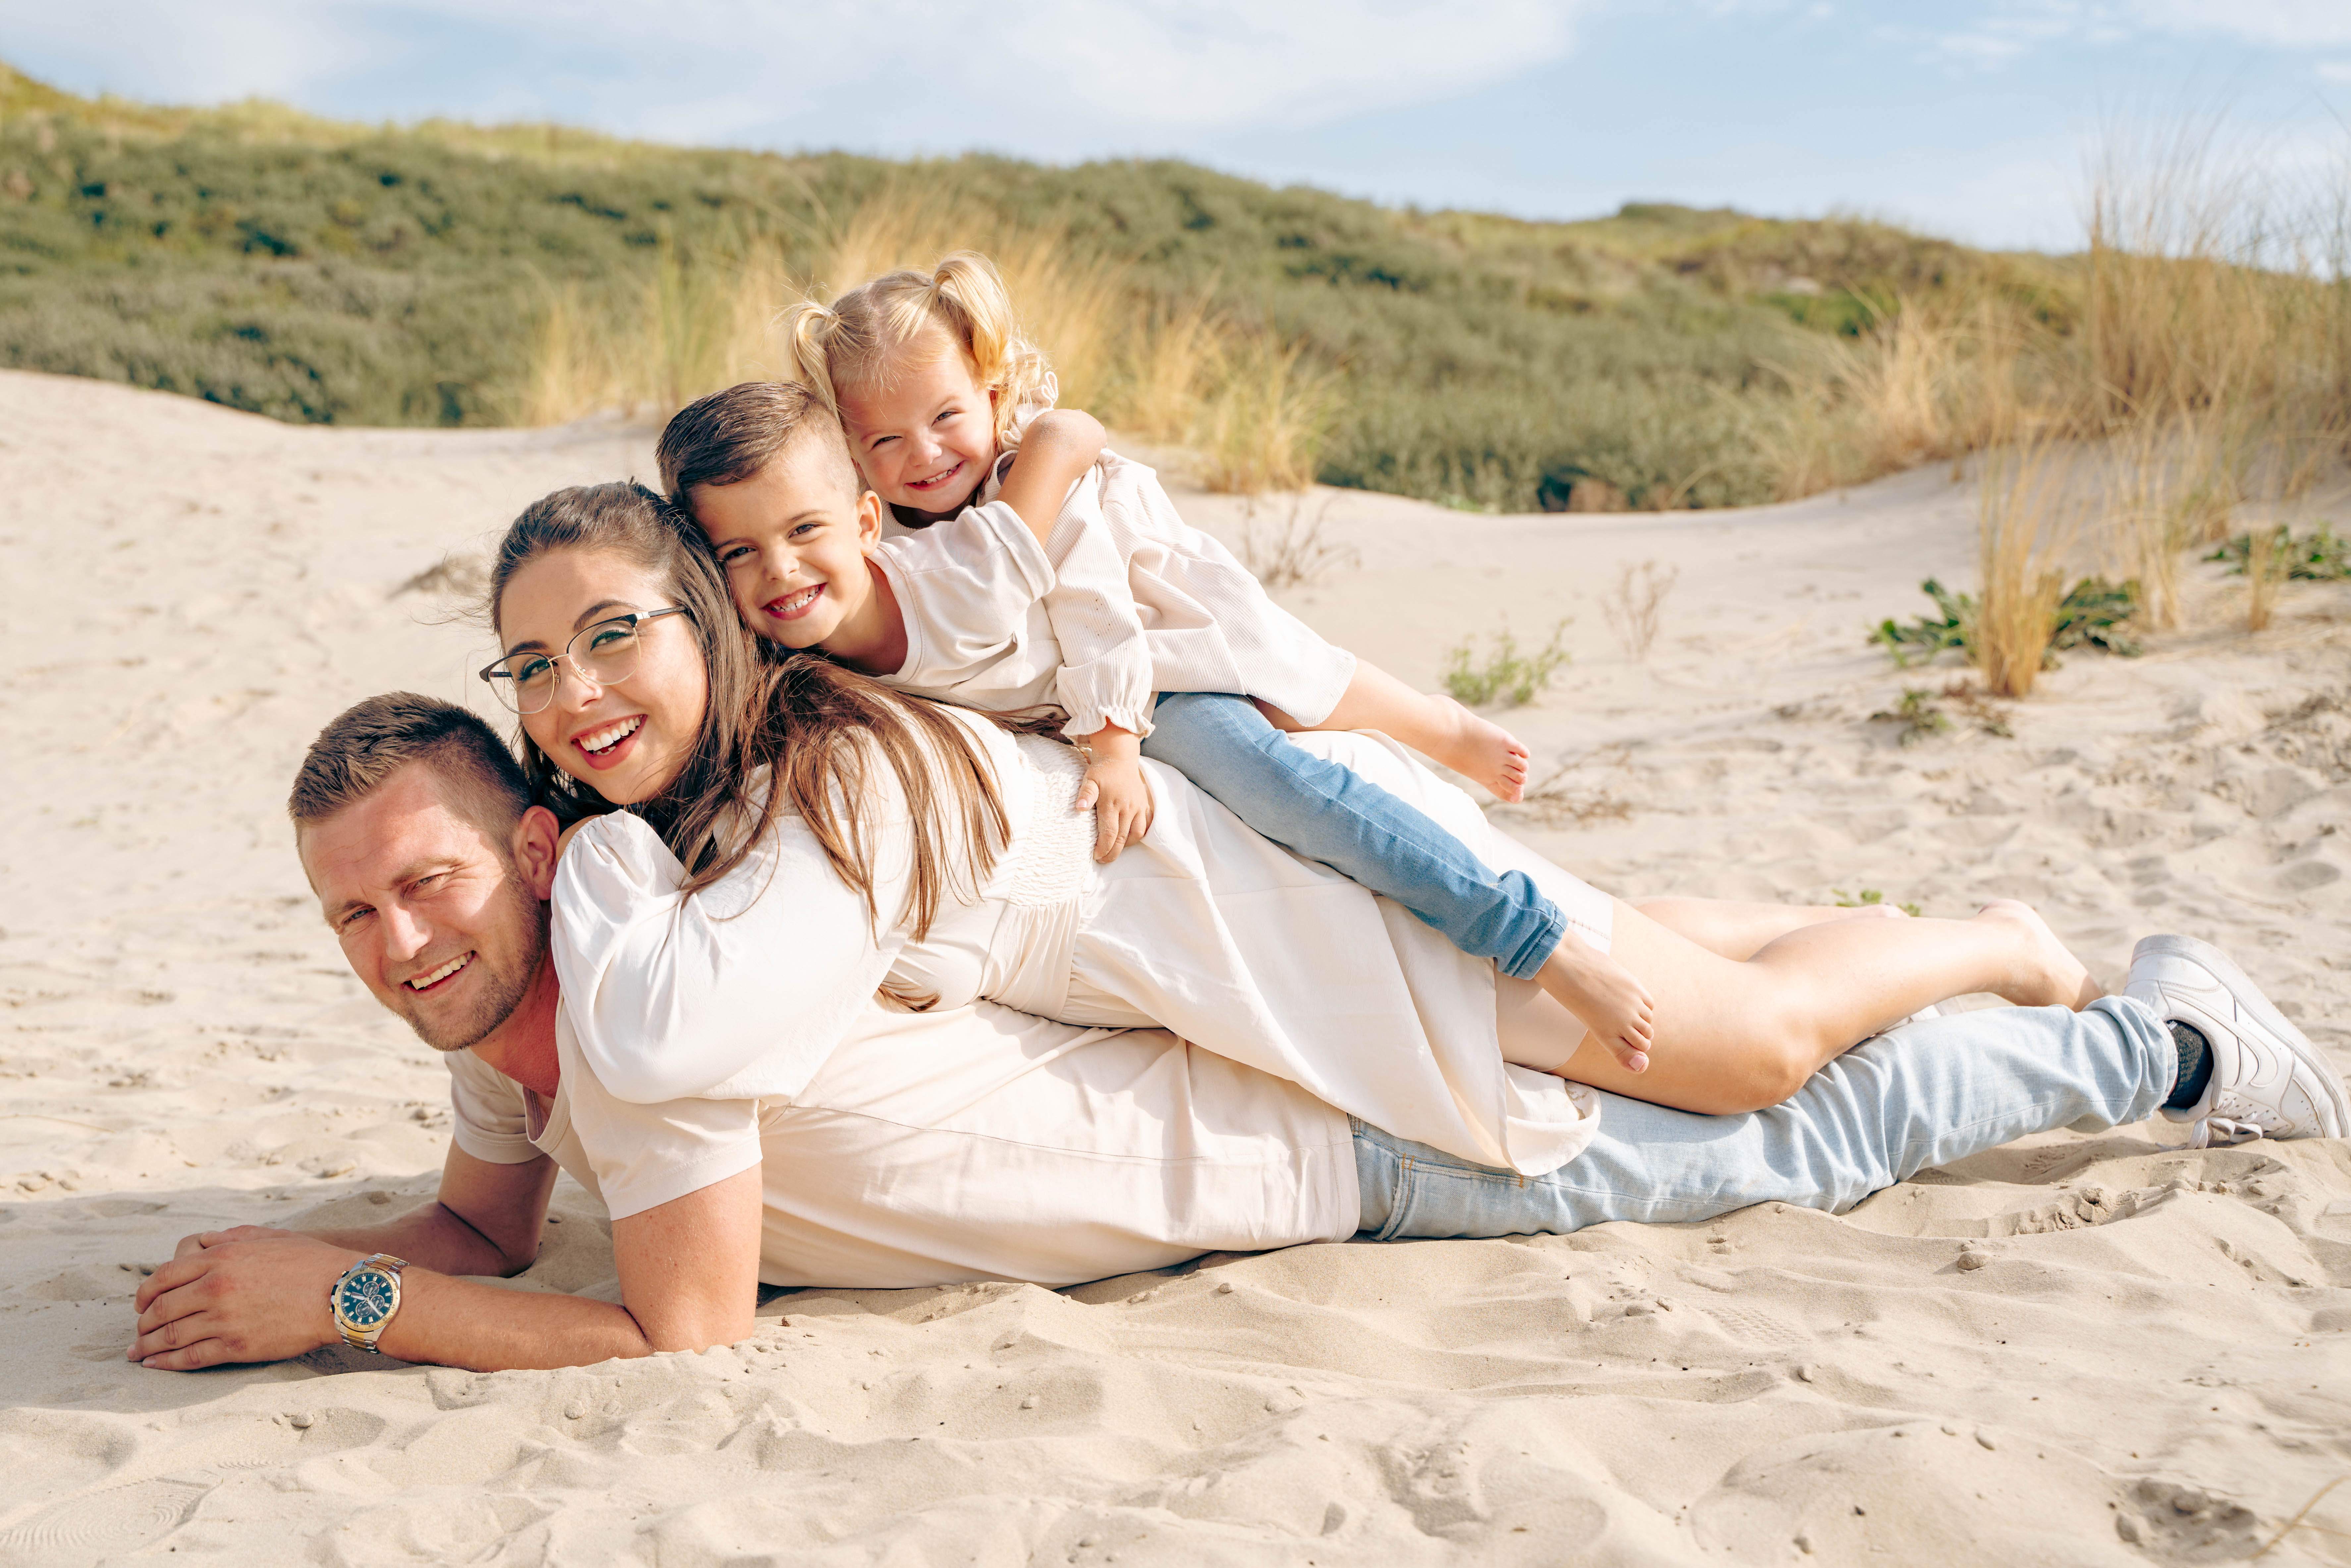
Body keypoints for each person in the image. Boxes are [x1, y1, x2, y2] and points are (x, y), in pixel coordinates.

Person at [126, 694, 2346, 1372]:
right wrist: (348, 1248)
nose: (397, 935)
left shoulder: (641, 1013)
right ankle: (1964, 931)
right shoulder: (528, 1014)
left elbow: (673, 1333)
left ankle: (2163, 1044)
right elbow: (491, 1214)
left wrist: (340, 1298)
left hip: (1311, 1153)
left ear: (531, 834)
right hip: (1276, 1089)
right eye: (351, 910)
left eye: (426, 880)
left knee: (1789, 1128)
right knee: (1668, 970)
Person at [492, 459, 2107, 1164]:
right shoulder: (777, 746)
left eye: (615, 632)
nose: (572, 690)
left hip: (1316, 915)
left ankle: (1984, 941)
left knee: (1749, 1054)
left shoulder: (831, 760)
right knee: (1658, 958)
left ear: (703, 615)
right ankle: (1879, 933)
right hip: (1266, 941)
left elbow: (664, 1043)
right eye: (530, 663)